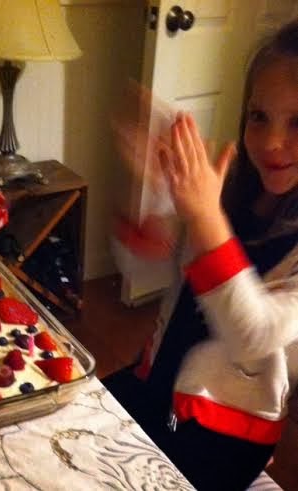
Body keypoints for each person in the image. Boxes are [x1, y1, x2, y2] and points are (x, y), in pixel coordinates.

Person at [104, 19, 298, 491]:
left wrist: (205, 218)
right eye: (259, 116)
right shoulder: (236, 196)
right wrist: (154, 206)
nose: (272, 142)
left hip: (221, 436)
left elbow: (254, 335)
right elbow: (158, 271)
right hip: (157, 383)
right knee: (72, 417)